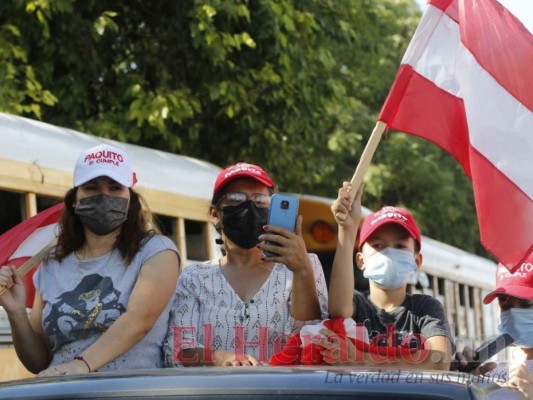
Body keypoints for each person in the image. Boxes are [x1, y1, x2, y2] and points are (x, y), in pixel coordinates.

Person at [0, 144, 180, 376]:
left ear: (130, 199)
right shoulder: (51, 265)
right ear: (75, 200)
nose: (104, 196)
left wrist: (80, 365)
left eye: (115, 188)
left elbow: (139, 320)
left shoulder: (156, 251)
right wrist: (15, 314)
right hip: (64, 393)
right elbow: (39, 361)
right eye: (91, 188)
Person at [163, 162, 328, 366]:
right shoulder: (194, 278)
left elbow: (311, 341)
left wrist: (302, 270)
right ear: (215, 215)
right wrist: (219, 358)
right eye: (236, 199)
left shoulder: (304, 266)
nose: (249, 208)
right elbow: (177, 351)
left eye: (261, 201)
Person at [322, 182, 453, 370]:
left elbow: (439, 361)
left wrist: (362, 359)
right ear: (360, 260)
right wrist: (346, 230)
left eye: (399, 246)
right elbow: (338, 311)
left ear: (417, 261)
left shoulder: (425, 308)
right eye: (377, 246)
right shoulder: (356, 304)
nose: (388, 254)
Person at [456, 260, 533, 398]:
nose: (514, 314)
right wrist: (467, 384)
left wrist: (529, 392)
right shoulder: (495, 370)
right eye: (504, 303)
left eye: (526, 302)